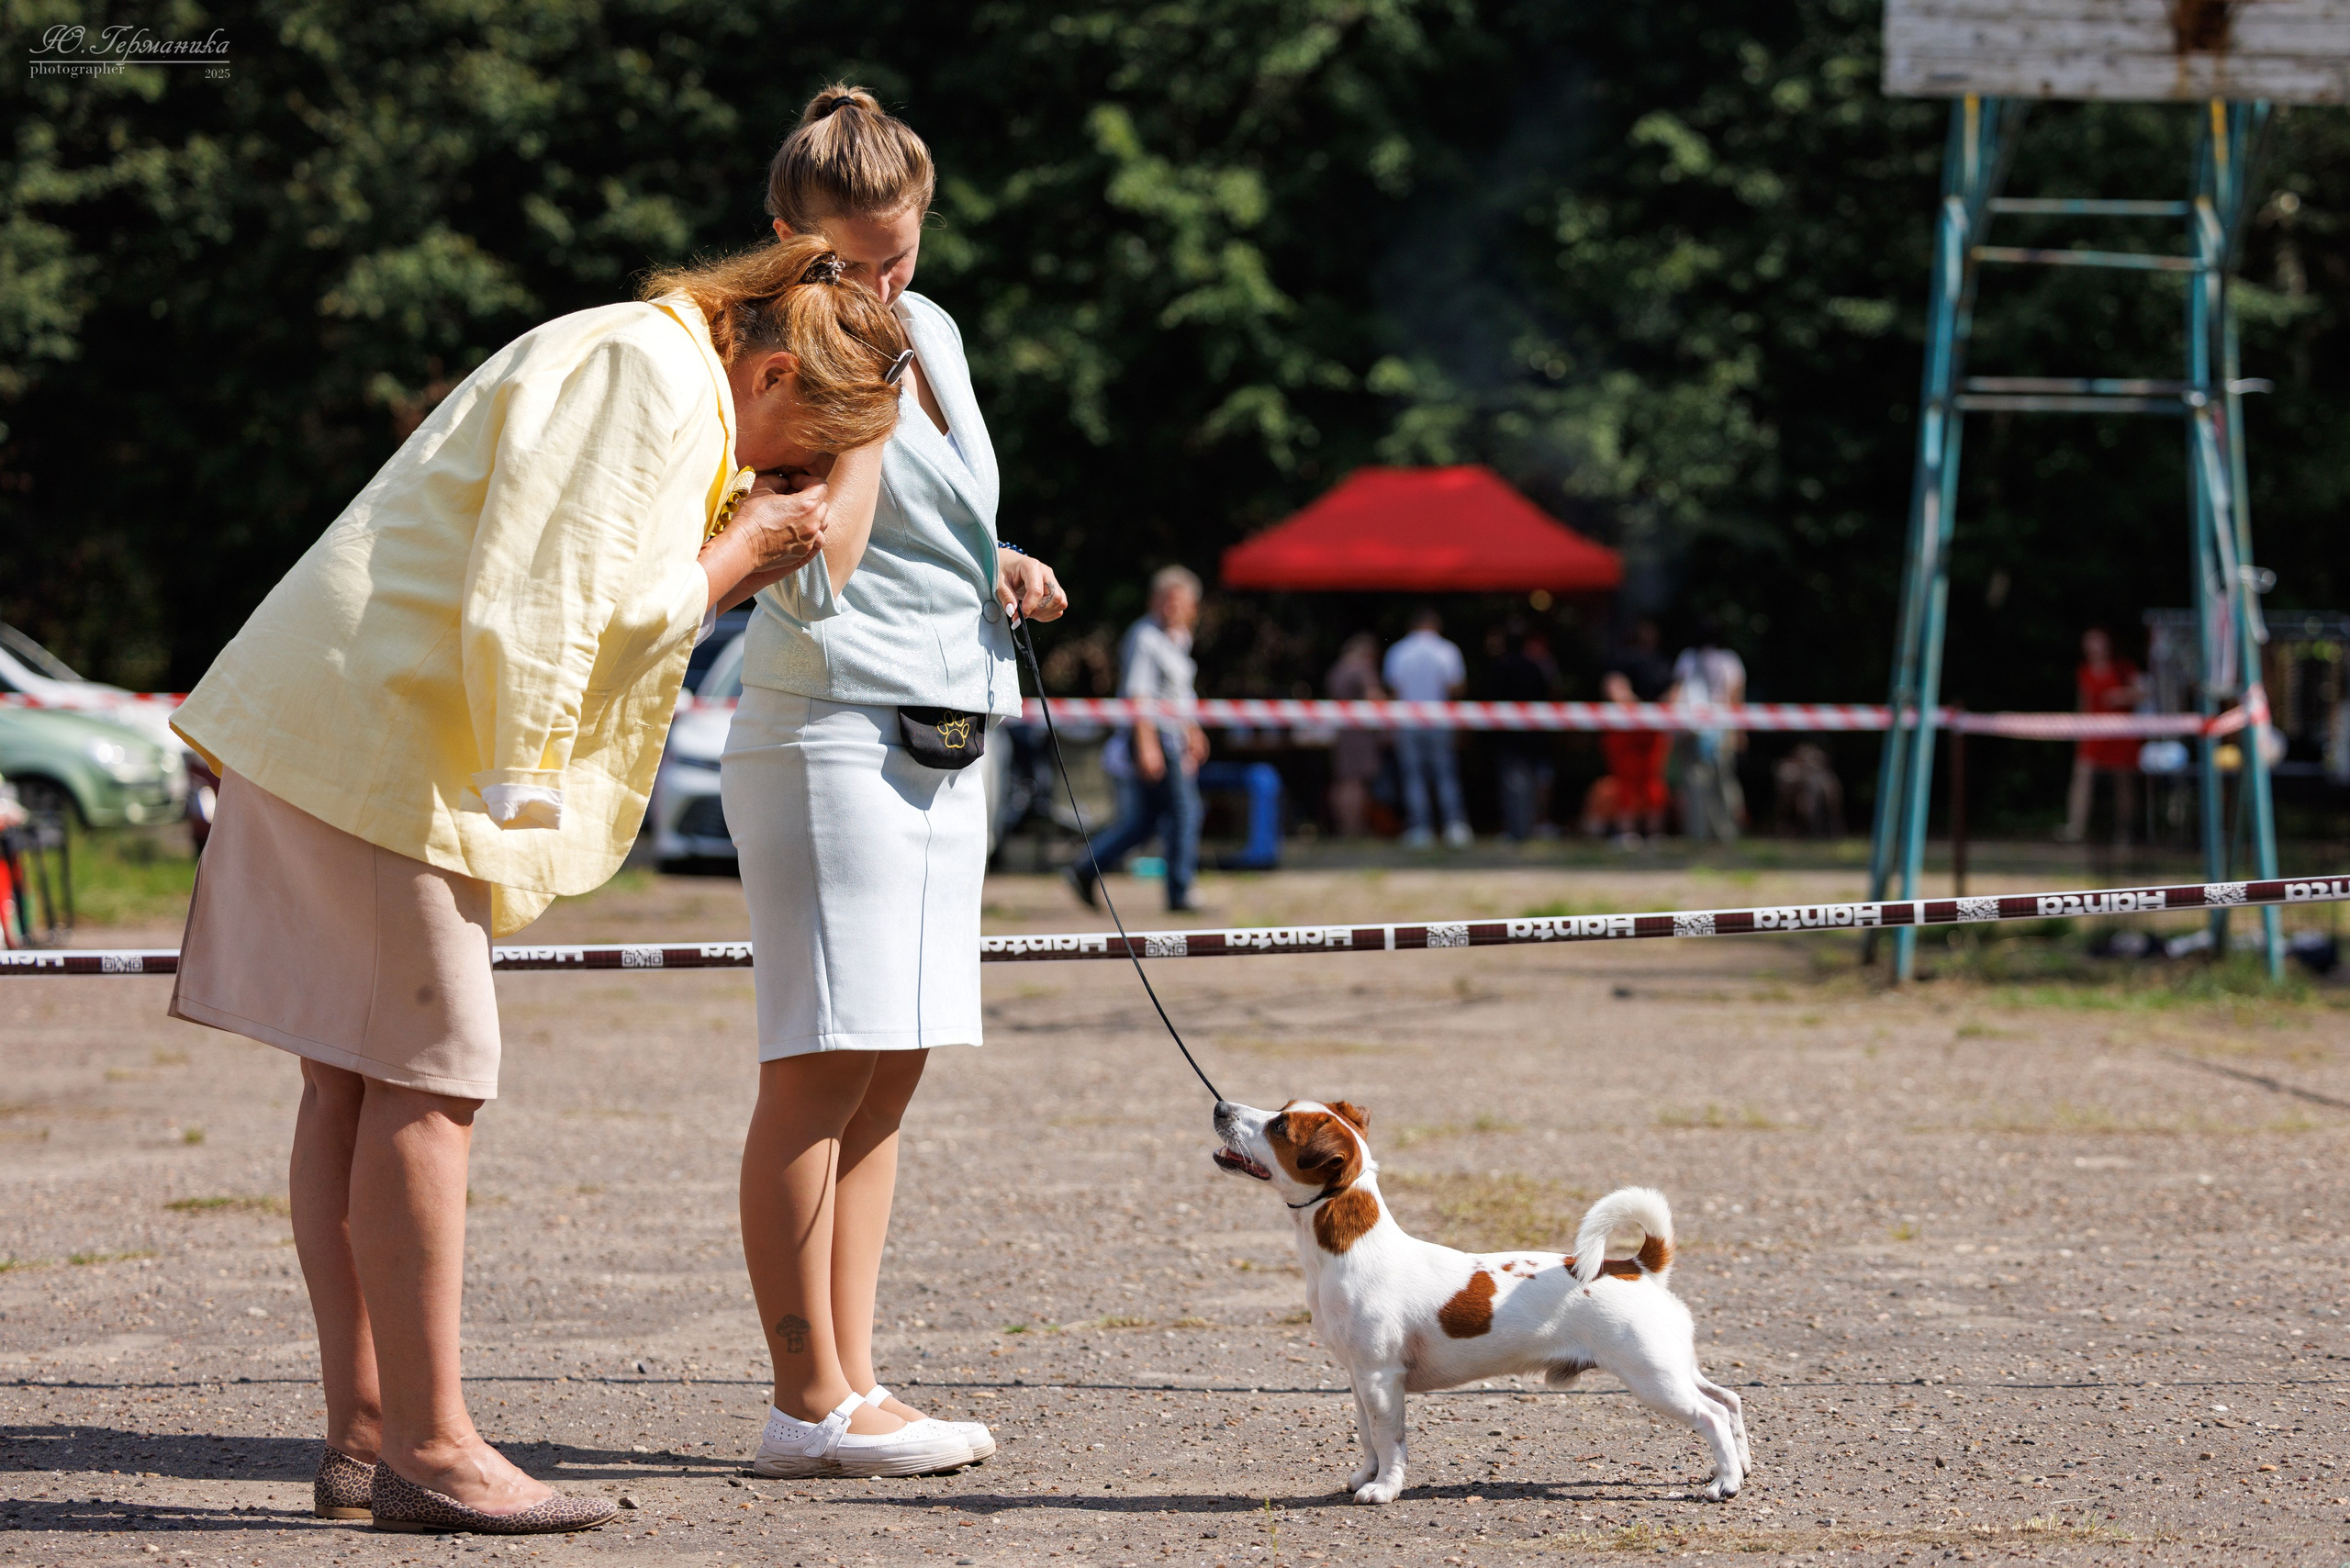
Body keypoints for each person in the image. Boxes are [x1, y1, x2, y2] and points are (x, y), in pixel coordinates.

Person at [162, 228, 903, 1532]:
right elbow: (551, 609)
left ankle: (368, 1436)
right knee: (430, 1080)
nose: (773, 478)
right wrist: (738, 556)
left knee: (348, 1077)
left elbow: (548, 586)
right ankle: (432, 1448)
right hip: (384, 746)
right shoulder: (659, 380)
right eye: (788, 454)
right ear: (772, 369)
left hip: (332, 724)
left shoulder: (629, 348)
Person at [723, 85, 1070, 1481]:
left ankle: (857, 1383)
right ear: (783, 234)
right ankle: (804, 1401)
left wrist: (996, 562)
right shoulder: (769, 338)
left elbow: (930, 506)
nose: (878, 284)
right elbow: (819, 552)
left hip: (948, 716)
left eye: (899, 254)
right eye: (850, 259)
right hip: (827, 725)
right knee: (817, 1065)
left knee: (892, 1066)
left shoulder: (933, 330)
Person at [1069, 566, 1209, 913]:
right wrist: (1147, 746)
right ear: (1153, 602)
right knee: (1185, 811)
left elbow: (1176, 695)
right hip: (1153, 736)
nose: (1172, 609)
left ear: (1194, 607)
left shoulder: (1178, 640)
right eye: (1166, 601)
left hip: (1170, 736)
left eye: (1179, 602)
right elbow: (1140, 695)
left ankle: (1085, 869)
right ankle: (1180, 892)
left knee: (1142, 822)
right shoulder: (1145, 637)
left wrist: (1193, 730)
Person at [1382, 607, 1471, 847]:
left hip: (1408, 721)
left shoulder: (1399, 650)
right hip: (1439, 719)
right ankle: (1454, 826)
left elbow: (1394, 691)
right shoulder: (1447, 649)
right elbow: (1456, 687)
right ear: (1435, 625)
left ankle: (1420, 828)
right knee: (1445, 774)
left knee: (1413, 777)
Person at [2060, 627, 2143, 846]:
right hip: (2094, 733)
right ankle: (2075, 827)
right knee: (2082, 777)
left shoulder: (2124, 667)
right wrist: (2078, 731)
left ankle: (2125, 832)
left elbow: (2143, 693)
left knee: (2123, 783)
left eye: (2098, 642)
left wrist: (2121, 696)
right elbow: (2083, 703)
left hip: (2121, 732)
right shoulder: (2084, 671)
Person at [1672, 622, 1748, 843]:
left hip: (1691, 728)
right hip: (1721, 728)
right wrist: (1739, 732)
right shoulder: (1729, 660)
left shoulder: (1687, 657)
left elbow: (1678, 693)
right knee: (1723, 781)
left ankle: (1698, 833)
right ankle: (1726, 834)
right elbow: (1735, 698)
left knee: (1695, 783)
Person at [1483, 622, 1556, 843]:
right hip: (1533, 736)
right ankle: (1529, 828)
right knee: (1531, 786)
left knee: (1512, 786)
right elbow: (1547, 696)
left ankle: (1517, 831)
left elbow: (1491, 701)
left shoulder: (1501, 667)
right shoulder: (1535, 667)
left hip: (1510, 739)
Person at [1325, 632, 1388, 839]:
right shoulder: (1362, 668)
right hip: (1359, 734)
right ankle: (1354, 829)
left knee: (1342, 782)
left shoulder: (1337, 669)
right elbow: (1374, 697)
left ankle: (1344, 828)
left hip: (1341, 731)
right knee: (1356, 783)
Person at [1595, 670, 1670, 845]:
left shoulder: (1642, 710)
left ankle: (1654, 834)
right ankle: (1627, 833)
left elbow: (1657, 739)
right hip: (1623, 766)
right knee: (1624, 794)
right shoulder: (1608, 712)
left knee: (1653, 793)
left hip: (1646, 765)